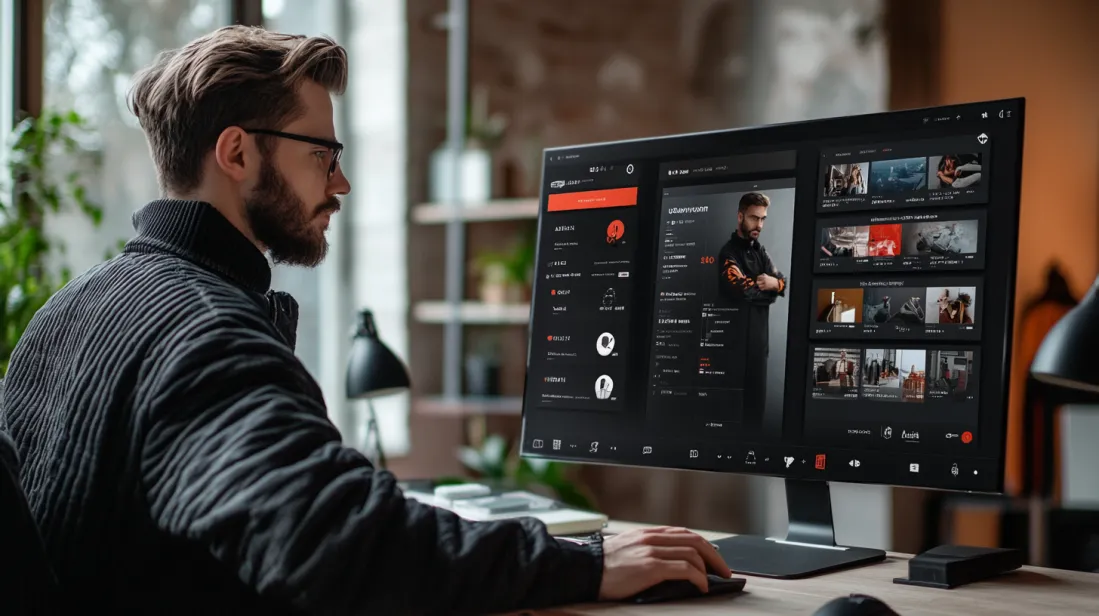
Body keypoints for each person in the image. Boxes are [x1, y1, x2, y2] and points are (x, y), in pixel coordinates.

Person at [0, 26, 729, 614]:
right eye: (323, 155)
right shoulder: (204, 332)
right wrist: (583, 563)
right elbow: (330, 541)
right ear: (236, 152)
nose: (341, 182)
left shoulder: (73, 305)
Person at [716, 192, 786, 432]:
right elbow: (741, 289)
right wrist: (767, 286)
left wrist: (774, 285)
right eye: (754, 218)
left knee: (755, 418)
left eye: (763, 219)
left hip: (758, 348)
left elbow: (781, 283)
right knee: (730, 421)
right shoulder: (728, 254)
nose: (759, 225)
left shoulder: (760, 251)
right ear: (740, 216)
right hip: (732, 350)